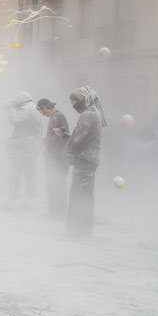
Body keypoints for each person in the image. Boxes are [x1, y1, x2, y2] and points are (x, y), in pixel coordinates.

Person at [65, 86, 107, 236]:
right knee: (86, 193)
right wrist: (67, 136)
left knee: (78, 193)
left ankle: (76, 228)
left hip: (84, 158)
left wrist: (68, 152)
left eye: (74, 102)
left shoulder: (88, 114)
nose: (73, 105)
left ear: (82, 100)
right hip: (91, 158)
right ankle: (85, 226)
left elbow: (78, 138)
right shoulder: (95, 113)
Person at [5, 91, 42, 205]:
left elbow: (14, 120)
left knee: (15, 173)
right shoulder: (35, 108)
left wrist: (10, 108)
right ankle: (30, 201)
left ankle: (9, 201)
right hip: (32, 146)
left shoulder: (26, 109)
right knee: (30, 174)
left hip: (22, 147)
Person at [36, 98, 70, 218]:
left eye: (40, 110)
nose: (41, 113)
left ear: (45, 107)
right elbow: (54, 136)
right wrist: (44, 141)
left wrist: (46, 144)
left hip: (57, 159)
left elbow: (60, 137)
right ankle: (54, 212)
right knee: (53, 185)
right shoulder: (55, 117)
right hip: (54, 158)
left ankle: (58, 213)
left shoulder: (57, 117)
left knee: (57, 185)